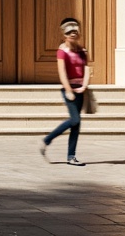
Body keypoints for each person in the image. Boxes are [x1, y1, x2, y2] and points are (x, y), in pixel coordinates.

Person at [40, 17, 91, 165]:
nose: (73, 34)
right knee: (75, 120)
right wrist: (69, 90)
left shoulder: (83, 51)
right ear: (64, 34)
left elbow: (87, 68)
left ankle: (71, 156)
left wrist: (85, 86)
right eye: (70, 32)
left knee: (76, 124)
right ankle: (47, 139)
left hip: (81, 90)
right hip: (69, 90)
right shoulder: (62, 51)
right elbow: (62, 72)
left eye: (75, 31)